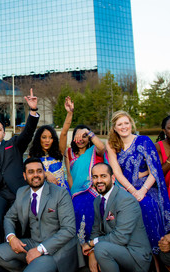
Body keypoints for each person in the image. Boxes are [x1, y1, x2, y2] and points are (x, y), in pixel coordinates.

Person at [0, 88, 40, 256]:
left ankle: (26, 253)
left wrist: (33, 111)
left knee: (22, 220)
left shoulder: (14, 144)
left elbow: (28, 133)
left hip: (18, 191)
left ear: (4, 133)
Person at [105, 110, 170, 257]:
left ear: (131, 124)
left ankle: (157, 252)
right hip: (125, 186)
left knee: (146, 204)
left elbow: (154, 170)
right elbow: (116, 172)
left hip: (146, 186)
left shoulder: (144, 141)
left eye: (126, 123)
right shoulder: (111, 144)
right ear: (114, 128)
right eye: (119, 124)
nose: (123, 127)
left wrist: (142, 191)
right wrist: (132, 190)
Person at [0, 158, 77, 272]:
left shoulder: (60, 193)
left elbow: (69, 229)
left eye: (39, 171)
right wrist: (11, 237)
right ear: (25, 176)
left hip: (56, 250)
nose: (36, 175)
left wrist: (40, 249)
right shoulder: (22, 192)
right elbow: (9, 217)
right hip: (33, 244)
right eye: (31, 172)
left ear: (43, 173)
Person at [82, 163, 152, 272]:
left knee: (101, 249)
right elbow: (96, 230)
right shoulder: (97, 201)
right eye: (95, 177)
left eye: (103, 176)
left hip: (135, 256)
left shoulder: (125, 200)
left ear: (113, 178)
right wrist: (92, 251)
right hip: (115, 250)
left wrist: (92, 244)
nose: (99, 180)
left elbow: (120, 237)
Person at [61, 97, 106, 246]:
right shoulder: (69, 153)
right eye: (77, 136)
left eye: (84, 136)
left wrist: (89, 133)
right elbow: (69, 174)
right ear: (73, 138)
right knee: (77, 214)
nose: (80, 139)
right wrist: (74, 194)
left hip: (95, 191)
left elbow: (103, 149)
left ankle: (96, 245)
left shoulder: (94, 151)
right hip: (77, 193)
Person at [28, 125, 69, 192]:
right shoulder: (32, 155)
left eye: (51, 138)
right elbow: (28, 172)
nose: (47, 140)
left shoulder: (59, 152)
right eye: (44, 137)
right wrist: (46, 174)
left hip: (62, 193)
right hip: (42, 194)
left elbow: (64, 133)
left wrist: (70, 114)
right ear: (39, 138)